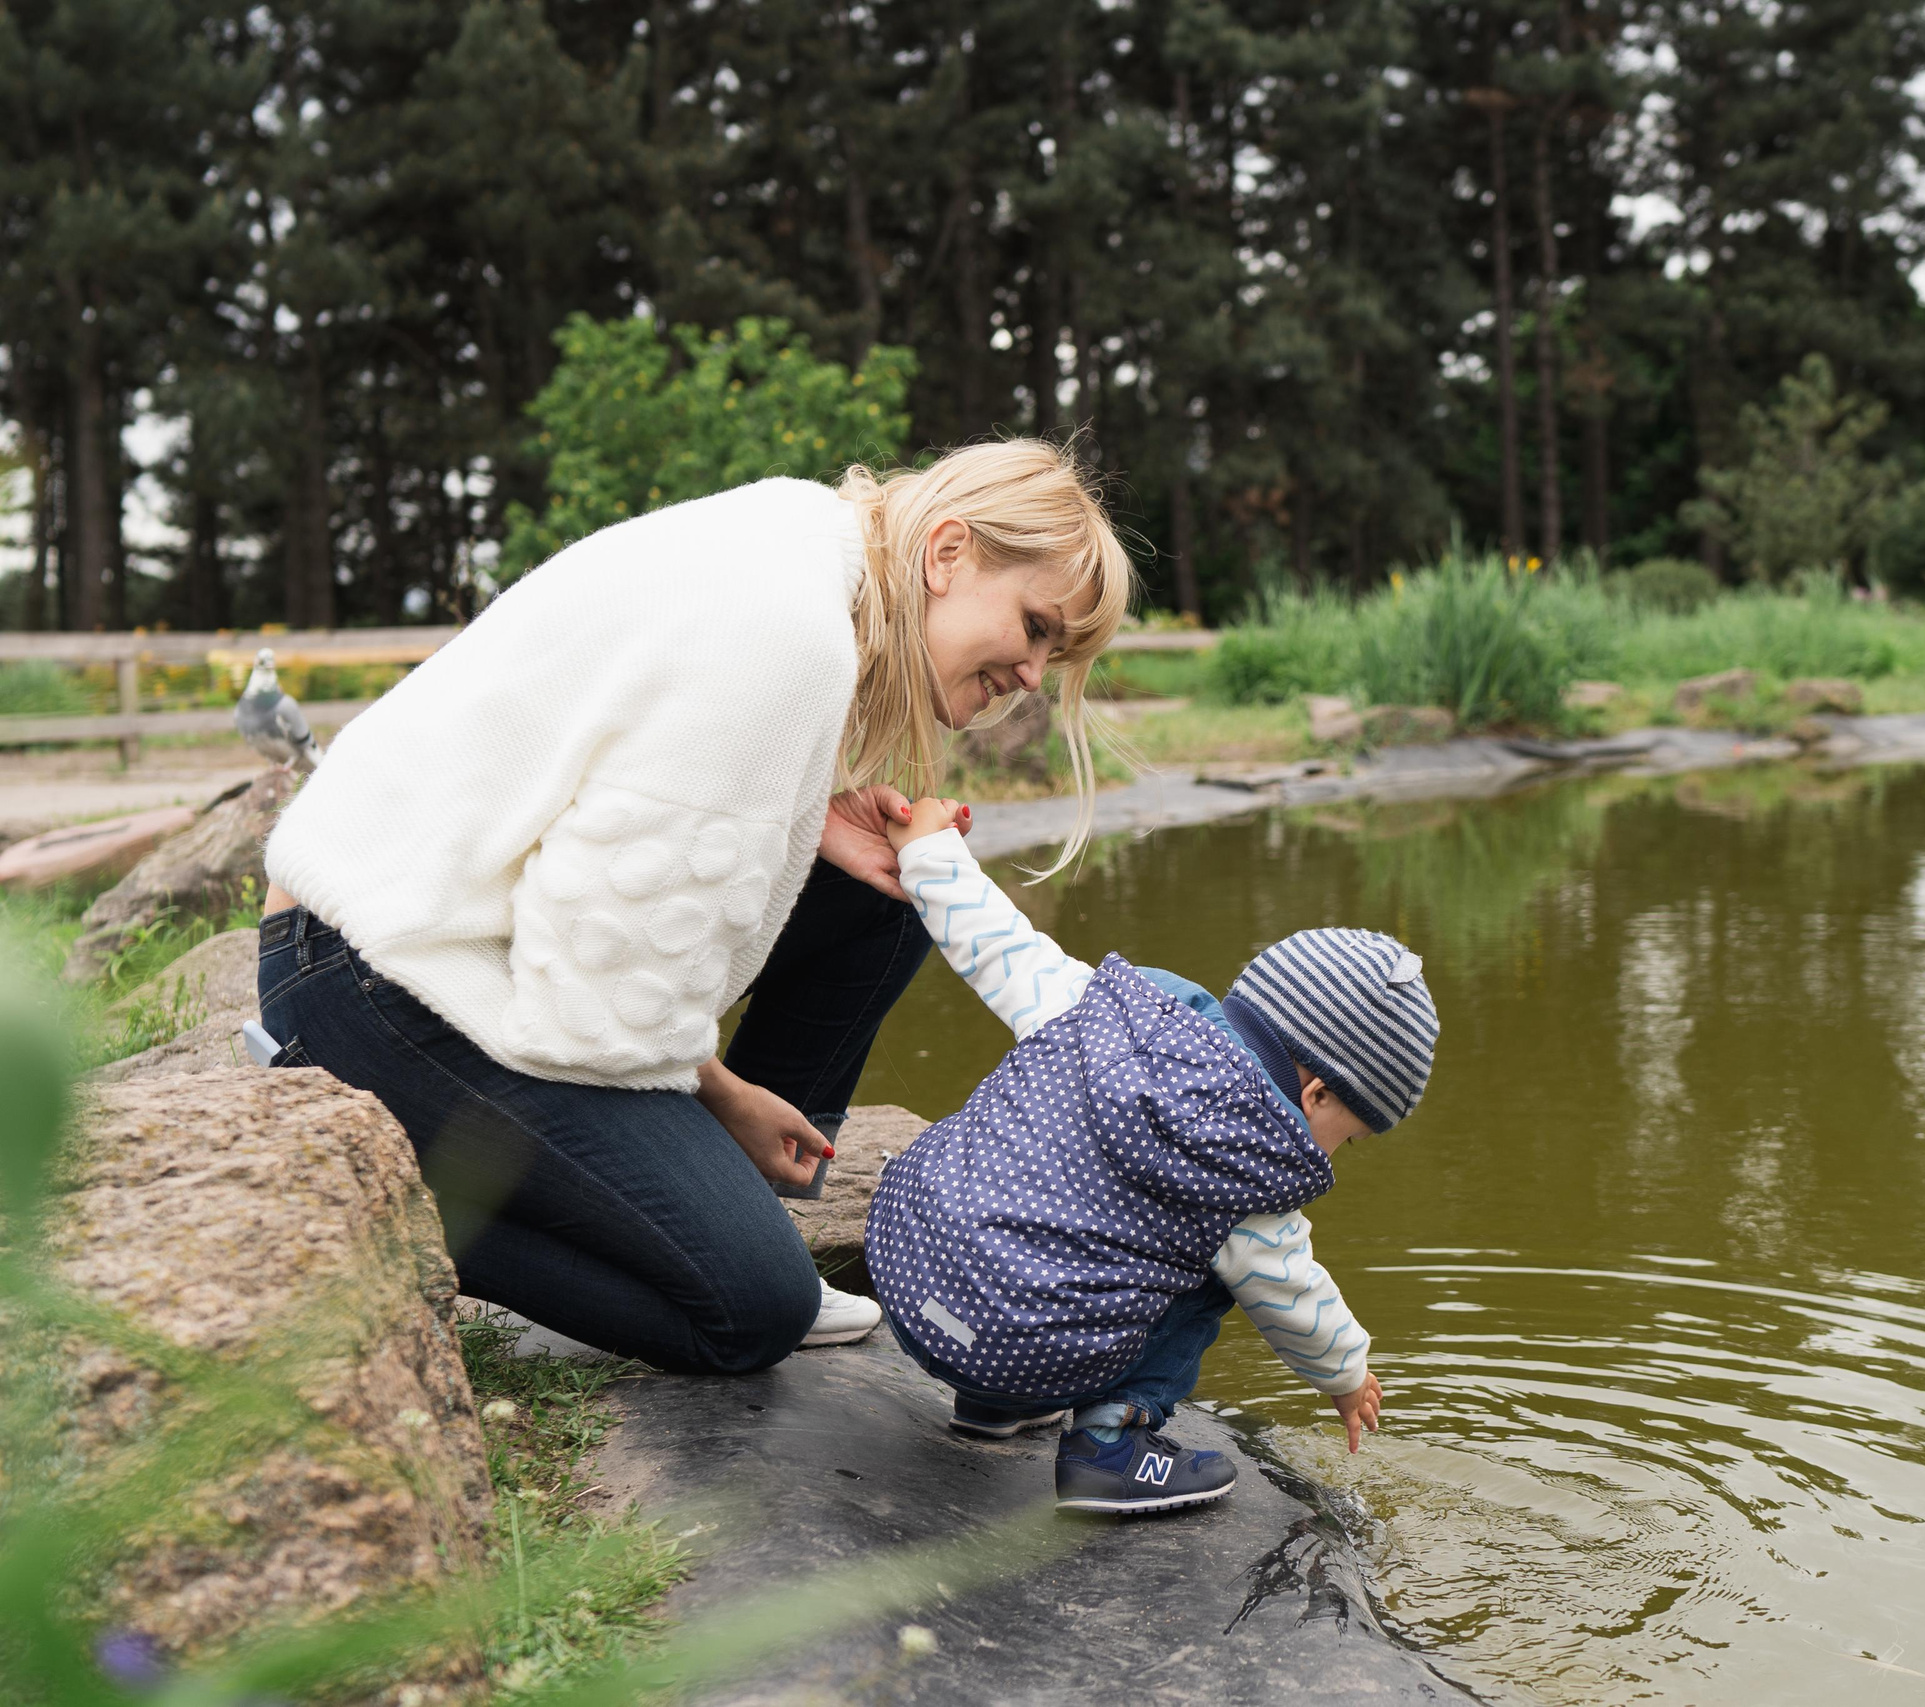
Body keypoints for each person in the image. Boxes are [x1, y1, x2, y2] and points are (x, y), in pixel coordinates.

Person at [253, 442, 1130, 1377]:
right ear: (947, 553)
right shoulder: (791, 633)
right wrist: (725, 1098)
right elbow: (593, 999)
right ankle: (364, 1205)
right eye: (1036, 626)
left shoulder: (801, 535)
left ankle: (725, 1208)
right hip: (373, 975)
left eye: (1056, 652)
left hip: (421, 931)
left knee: (888, 897)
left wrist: (811, 818)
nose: (1035, 675)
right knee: (752, 1309)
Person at [867, 796, 1438, 1515]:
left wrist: (928, 851)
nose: (1335, 1155)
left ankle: (986, 1402)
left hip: (909, 1271)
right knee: (1215, 1273)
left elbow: (998, 941)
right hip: (1013, 1345)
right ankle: (1109, 1445)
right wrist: (1347, 1372)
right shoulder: (1252, 1165)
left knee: (1028, 1141)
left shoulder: (1109, 1010)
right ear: (1318, 1093)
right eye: (1349, 1137)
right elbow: (1293, 1293)